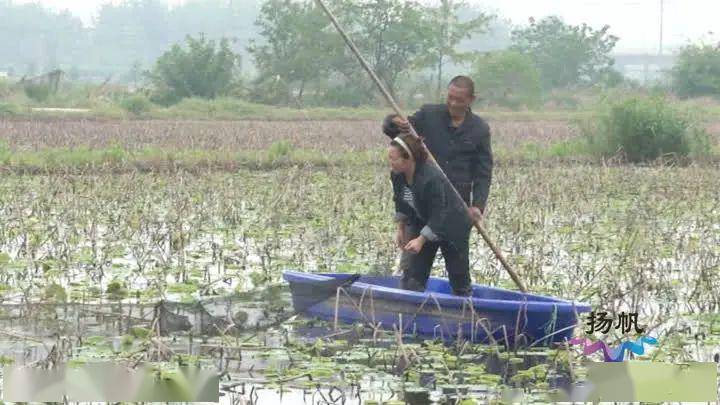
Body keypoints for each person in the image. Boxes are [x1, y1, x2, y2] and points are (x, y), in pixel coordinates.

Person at [382, 75, 493, 278]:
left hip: (457, 211)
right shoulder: (428, 115)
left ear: (471, 99)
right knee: (413, 275)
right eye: (450, 97)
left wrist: (477, 206)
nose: (452, 103)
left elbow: (483, 172)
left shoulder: (480, 129)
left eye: (459, 99)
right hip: (423, 209)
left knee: (459, 278)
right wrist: (394, 122)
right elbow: (398, 133)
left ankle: (462, 306)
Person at [388, 133, 473, 296]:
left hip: (453, 224)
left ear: (408, 159)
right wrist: (401, 229)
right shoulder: (397, 175)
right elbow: (401, 201)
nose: (390, 162)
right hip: (424, 219)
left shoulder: (431, 178)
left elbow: (440, 214)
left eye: (393, 158)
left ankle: (464, 308)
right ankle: (409, 308)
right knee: (412, 276)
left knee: (458, 274)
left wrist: (421, 239)